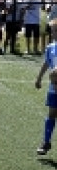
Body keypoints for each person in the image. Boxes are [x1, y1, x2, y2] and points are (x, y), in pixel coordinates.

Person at [34, 19, 57, 156]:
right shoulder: (51, 48)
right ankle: (46, 142)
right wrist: (39, 78)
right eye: (53, 31)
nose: (54, 33)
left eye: (56, 31)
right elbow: (46, 64)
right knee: (52, 113)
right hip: (54, 87)